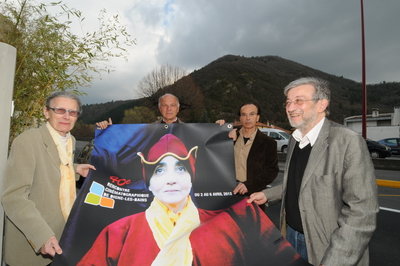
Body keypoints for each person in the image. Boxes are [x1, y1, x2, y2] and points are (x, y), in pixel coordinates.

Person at [78, 133, 304, 266]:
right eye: (159, 171)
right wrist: (105, 131)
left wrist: (221, 130)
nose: (171, 180)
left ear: (191, 175)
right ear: (148, 180)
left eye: (180, 168)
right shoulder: (118, 233)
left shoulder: (233, 221)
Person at [248, 77, 378, 266]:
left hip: (327, 247)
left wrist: (335, 261)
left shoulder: (347, 141)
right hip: (290, 236)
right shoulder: (295, 139)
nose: (290, 108)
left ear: (322, 104)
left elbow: (362, 213)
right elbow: (299, 184)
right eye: (288, 102)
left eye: (299, 100)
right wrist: (267, 194)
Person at [2, 91, 96, 266]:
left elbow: (51, 167)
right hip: (34, 246)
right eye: (60, 110)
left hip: (62, 238)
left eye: (72, 112)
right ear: (46, 112)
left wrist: (75, 169)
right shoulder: (27, 141)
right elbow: (14, 197)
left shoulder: (71, 140)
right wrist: (41, 236)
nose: (66, 117)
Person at [218, 103, 279, 206]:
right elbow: (213, 156)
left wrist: (249, 185)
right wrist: (217, 128)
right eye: (244, 114)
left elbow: (271, 171)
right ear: (240, 118)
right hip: (227, 193)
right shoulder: (229, 135)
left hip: (253, 195)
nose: (248, 118)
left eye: (251, 114)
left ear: (257, 117)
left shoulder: (269, 143)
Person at [96, 93, 182, 129]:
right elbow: (126, 144)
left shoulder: (192, 132)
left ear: (178, 108)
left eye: (173, 105)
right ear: (160, 108)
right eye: (164, 105)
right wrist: (110, 130)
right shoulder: (148, 130)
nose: (169, 109)